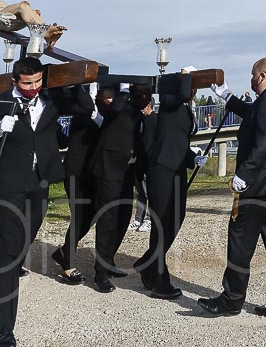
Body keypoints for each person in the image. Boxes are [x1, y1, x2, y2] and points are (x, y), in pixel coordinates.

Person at [0, 57, 65, 347]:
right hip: (8, 187)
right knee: (7, 255)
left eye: (38, 81)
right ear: (15, 81)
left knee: (19, 252)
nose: (33, 87)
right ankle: (3, 330)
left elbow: (83, 109)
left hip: (38, 185)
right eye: (27, 83)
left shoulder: (48, 102)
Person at [199, 58, 266, 318]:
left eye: (253, 76)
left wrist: (245, 174)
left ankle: (231, 300)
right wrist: (227, 96)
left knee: (240, 240)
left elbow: (265, 140)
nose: (251, 80)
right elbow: (254, 115)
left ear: (262, 75)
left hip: (259, 184)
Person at [134, 68, 200, 300]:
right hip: (162, 171)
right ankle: (159, 281)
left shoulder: (183, 108)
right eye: (190, 87)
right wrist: (187, 75)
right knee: (162, 223)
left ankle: (148, 262)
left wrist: (193, 158)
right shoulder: (170, 104)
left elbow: (178, 140)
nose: (192, 91)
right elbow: (179, 93)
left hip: (177, 169)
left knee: (176, 218)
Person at [82, 84, 139, 292]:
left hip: (126, 171)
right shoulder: (109, 109)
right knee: (107, 220)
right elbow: (114, 110)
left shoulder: (133, 108)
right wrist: (123, 91)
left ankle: (108, 260)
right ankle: (101, 273)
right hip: (107, 170)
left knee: (123, 218)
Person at [50, 82, 102, 285]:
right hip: (75, 171)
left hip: (92, 172)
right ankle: (67, 263)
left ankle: (63, 252)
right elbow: (86, 108)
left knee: (92, 214)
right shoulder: (78, 112)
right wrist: (78, 84)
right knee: (79, 216)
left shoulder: (101, 112)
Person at [129, 94, 156, 232]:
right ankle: (138, 218)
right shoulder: (141, 120)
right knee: (140, 192)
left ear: (147, 106)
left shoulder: (154, 120)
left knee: (150, 192)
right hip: (139, 160)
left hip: (149, 162)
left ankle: (149, 219)